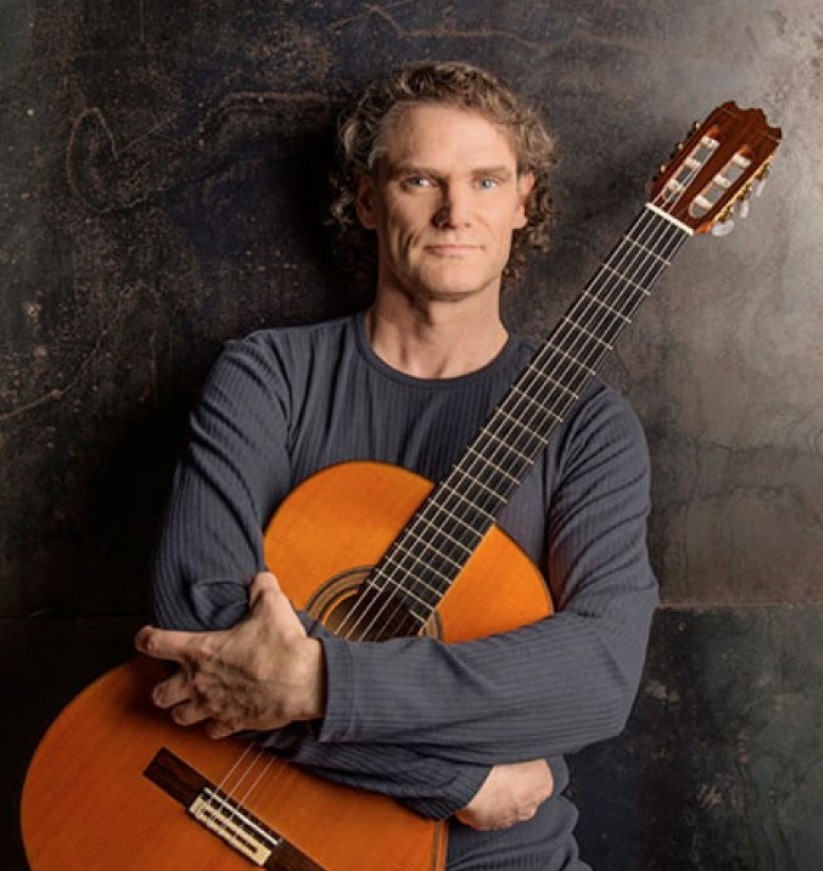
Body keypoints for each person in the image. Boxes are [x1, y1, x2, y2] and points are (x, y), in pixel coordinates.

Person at [134, 60, 658, 870]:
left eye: (486, 181)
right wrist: (452, 779)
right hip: (260, 820)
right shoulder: (268, 377)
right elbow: (198, 631)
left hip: (501, 854)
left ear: (522, 201)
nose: (455, 212)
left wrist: (318, 683)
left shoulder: (588, 423)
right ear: (368, 200)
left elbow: (596, 676)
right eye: (420, 179)